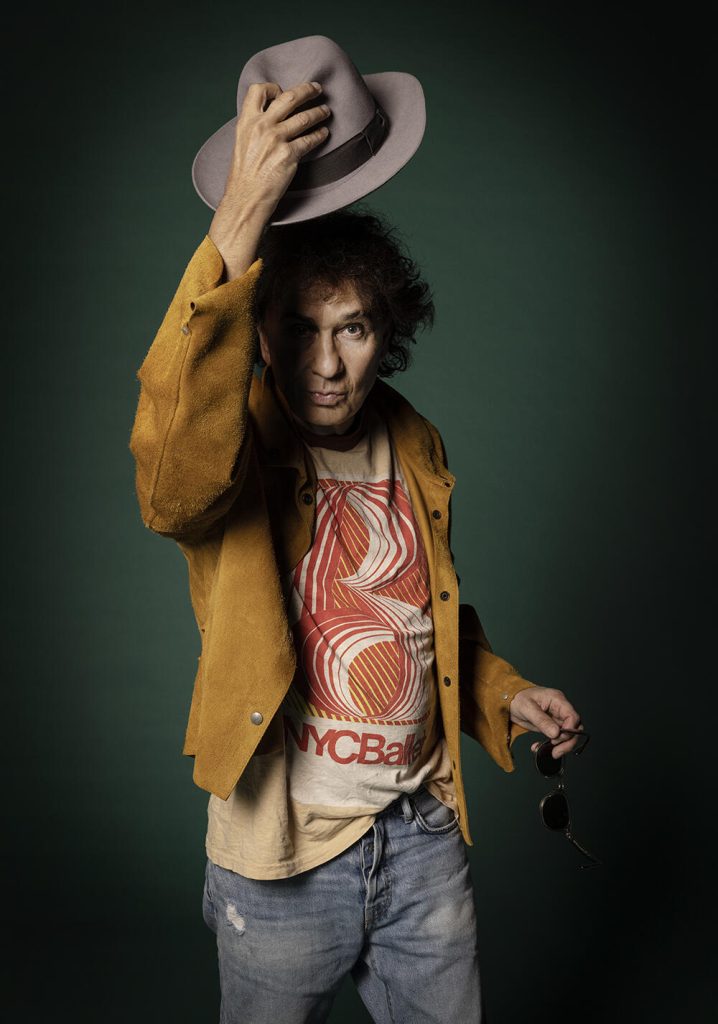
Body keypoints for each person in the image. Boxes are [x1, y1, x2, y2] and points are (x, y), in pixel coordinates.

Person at [129, 36, 585, 1024]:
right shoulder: (232, 436)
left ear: (389, 333)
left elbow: (419, 616)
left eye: (354, 328)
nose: (328, 365)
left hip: (424, 842)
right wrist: (239, 217)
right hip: (281, 862)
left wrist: (503, 695)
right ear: (260, 333)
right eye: (299, 329)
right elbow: (170, 491)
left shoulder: (414, 440)